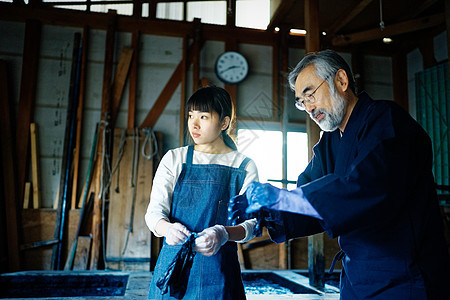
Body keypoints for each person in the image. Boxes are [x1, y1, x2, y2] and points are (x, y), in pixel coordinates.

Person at [229, 49, 450, 299]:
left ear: (342, 81)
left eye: (310, 94)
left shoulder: (387, 121)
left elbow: (366, 188)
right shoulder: (330, 143)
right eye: (301, 102)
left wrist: (281, 198)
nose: (308, 108)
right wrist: (266, 214)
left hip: (405, 277)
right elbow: (307, 197)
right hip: (356, 277)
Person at [145, 86, 258, 300]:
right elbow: (153, 213)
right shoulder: (175, 159)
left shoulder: (244, 166)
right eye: (190, 116)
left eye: (203, 116)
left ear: (224, 123)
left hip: (220, 276)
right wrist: (168, 229)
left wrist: (223, 233)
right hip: (173, 272)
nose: (193, 124)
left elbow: (251, 225)